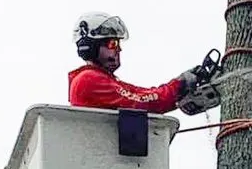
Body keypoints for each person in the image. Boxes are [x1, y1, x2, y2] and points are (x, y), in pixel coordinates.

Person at [67, 12, 200, 114]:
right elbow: (140, 102)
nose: (119, 49)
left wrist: (178, 88)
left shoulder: (103, 80)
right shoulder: (88, 80)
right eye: (113, 43)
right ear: (90, 47)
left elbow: (142, 93)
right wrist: (178, 85)